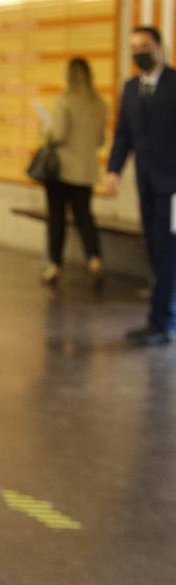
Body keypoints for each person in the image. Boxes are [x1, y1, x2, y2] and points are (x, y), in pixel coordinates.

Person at [104, 26, 176, 345]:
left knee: (168, 252)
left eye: (145, 46)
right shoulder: (131, 88)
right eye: (133, 47)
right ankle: (163, 316)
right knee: (155, 249)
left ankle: (161, 321)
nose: (139, 53)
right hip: (145, 184)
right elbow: (124, 135)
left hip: (173, 187)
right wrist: (114, 170)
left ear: (160, 48)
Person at [41, 58, 107, 287]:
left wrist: (46, 128)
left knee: (57, 218)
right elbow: (100, 140)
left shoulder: (64, 101)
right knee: (85, 218)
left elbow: (57, 134)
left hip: (62, 171)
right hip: (86, 171)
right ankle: (95, 260)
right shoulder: (99, 104)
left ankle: (54, 266)